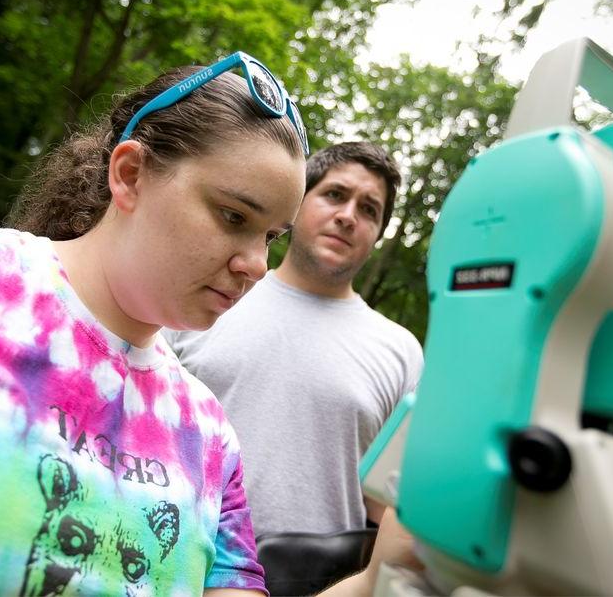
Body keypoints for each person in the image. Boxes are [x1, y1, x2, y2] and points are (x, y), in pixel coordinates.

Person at [0, 52, 322, 596]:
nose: (257, 265)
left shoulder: (209, 437)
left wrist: (380, 573)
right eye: (234, 216)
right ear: (131, 175)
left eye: (271, 237)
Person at [165, 142, 424, 550]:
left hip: (322, 585)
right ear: (299, 203)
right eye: (335, 195)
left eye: (369, 209)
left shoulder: (401, 350)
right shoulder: (210, 291)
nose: (347, 216)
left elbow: (386, 503)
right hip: (170, 558)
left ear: (376, 235)